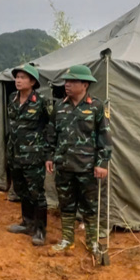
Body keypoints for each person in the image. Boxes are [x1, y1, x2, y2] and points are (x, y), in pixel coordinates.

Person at [45, 65, 112, 255]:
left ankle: (92, 243)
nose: (67, 84)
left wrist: (102, 163)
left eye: (72, 81)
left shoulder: (96, 106)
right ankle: (67, 240)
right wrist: (49, 156)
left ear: (85, 84)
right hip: (64, 166)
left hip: (88, 168)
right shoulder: (59, 106)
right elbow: (51, 134)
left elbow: (105, 137)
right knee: (66, 205)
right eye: (66, 81)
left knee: (90, 207)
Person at [5, 64, 51, 246]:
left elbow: (50, 129)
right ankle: (27, 223)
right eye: (17, 77)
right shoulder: (12, 98)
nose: (18, 80)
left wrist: (48, 154)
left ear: (32, 82)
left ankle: (40, 229)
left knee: (36, 193)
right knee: (21, 190)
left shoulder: (41, 102)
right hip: (15, 154)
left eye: (23, 77)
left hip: (34, 156)